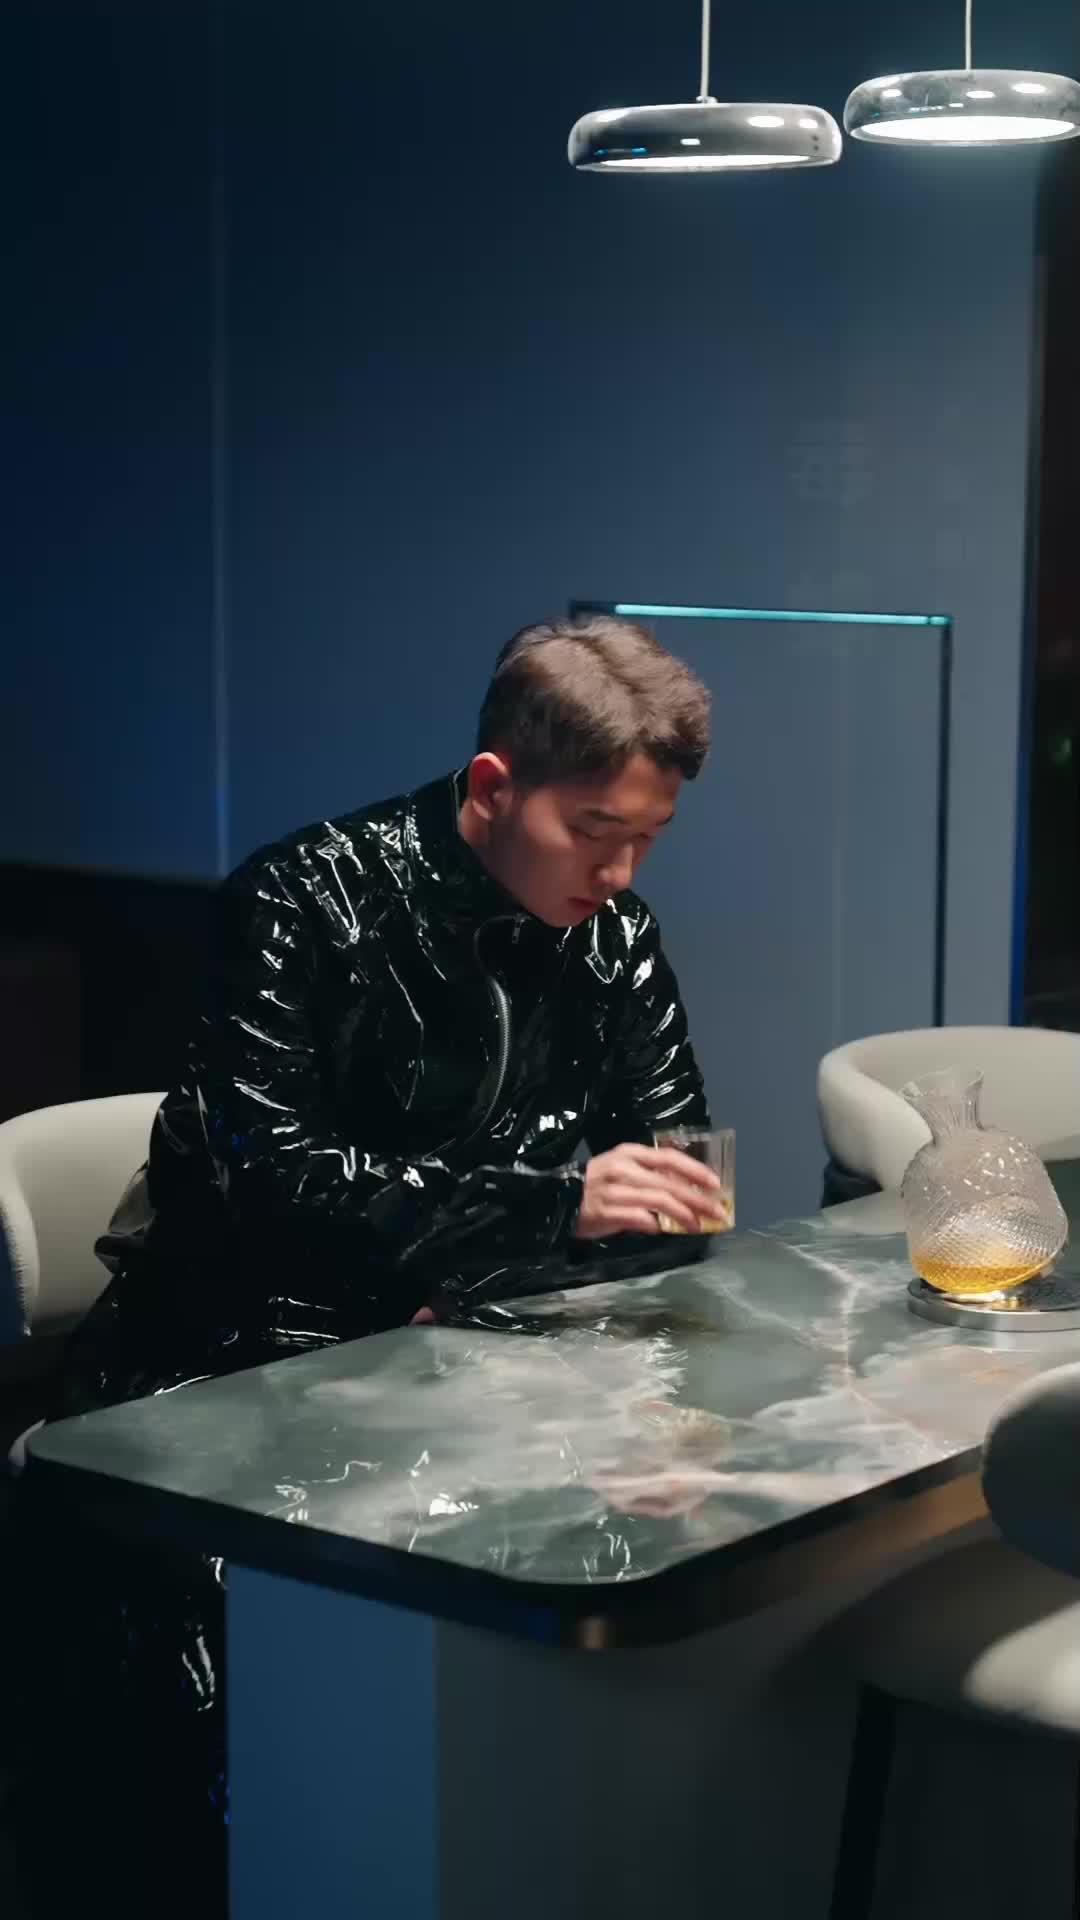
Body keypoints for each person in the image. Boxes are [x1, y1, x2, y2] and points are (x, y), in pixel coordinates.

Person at [16, 615, 718, 1918]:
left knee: (647, 1586)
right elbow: (263, 1184)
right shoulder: (307, 897)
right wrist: (553, 1206)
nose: (620, 873)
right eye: (593, 831)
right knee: (278, 1744)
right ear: (494, 787)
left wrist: (599, 1219)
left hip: (465, 1363)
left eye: (647, 838)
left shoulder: (614, 938)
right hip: (234, 1363)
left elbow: (681, 1189)